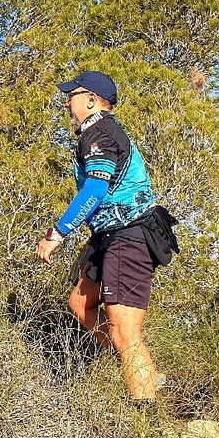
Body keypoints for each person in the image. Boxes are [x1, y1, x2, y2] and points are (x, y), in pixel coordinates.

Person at [35, 71, 174, 407]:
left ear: (92, 100)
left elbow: (95, 190)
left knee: (126, 332)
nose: (67, 102)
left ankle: (145, 424)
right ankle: (137, 369)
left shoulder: (100, 133)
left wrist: (57, 233)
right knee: (81, 304)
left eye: (72, 95)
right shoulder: (96, 132)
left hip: (130, 233)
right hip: (108, 236)